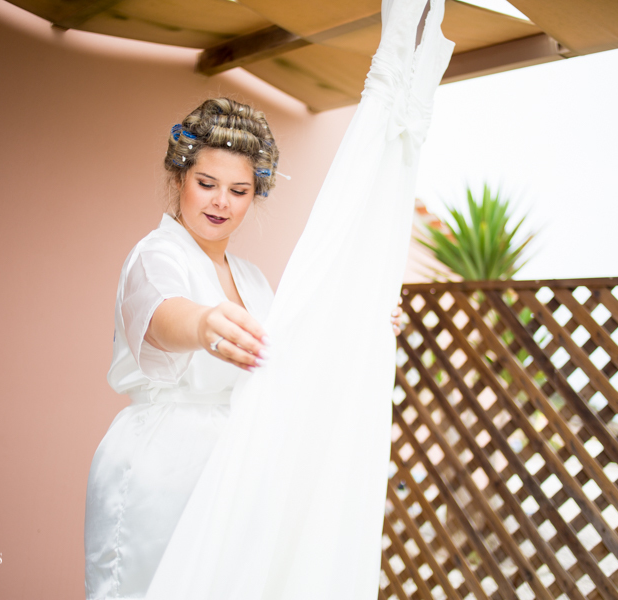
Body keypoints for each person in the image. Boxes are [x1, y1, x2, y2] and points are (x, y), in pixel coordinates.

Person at [83, 97, 404, 599]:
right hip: (162, 464)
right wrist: (204, 321)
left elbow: (291, 361)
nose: (220, 203)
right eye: (206, 184)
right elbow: (165, 317)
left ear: (255, 196)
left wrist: (362, 327)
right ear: (178, 179)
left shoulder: (252, 280)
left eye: (239, 190)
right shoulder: (155, 255)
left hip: (236, 467)